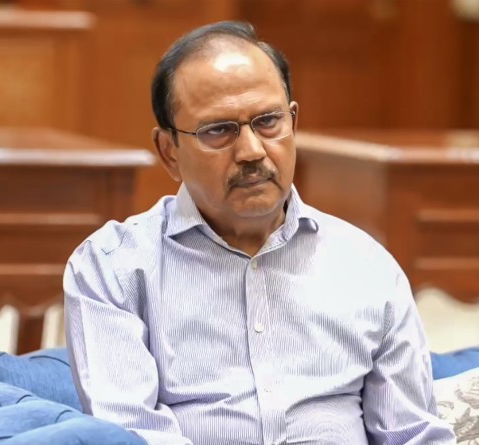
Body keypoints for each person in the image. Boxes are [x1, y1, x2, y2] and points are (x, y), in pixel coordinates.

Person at [64, 21, 456, 445]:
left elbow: (414, 435)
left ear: (293, 122)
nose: (252, 151)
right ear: (169, 151)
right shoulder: (114, 270)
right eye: (218, 130)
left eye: (268, 121)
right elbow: (130, 434)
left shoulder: (367, 267)